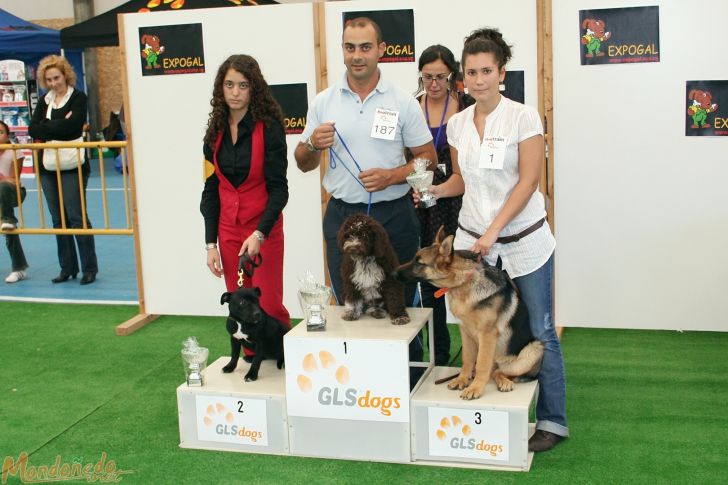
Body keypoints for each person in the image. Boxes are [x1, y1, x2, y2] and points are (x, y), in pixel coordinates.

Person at [422, 28, 569, 452]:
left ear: (502, 72)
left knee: (541, 327)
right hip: (475, 244)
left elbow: (528, 182)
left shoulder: (523, 117)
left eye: (487, 70)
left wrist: (493, 231)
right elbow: (461, 181)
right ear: (461, 77)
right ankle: (472, 377)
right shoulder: (456, 124)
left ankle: (553, 421)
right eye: (471, 72)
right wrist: (432, 190)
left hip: (523, 242)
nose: (479, 79)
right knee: (473, 322)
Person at [294, 17, 438, 382]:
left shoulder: (403, 101)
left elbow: (428, 159)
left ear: (381, 51)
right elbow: (302, 163)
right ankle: (359, 384)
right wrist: (312, 144)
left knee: (401, 302)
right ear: (342, 50)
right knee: (351, 302)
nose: (357, 56)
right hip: (342, 217)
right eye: (349, 47)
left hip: (394, 217)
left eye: (365, 47)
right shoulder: (323, 101)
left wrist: (392, 176)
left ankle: (409, 380)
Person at [200, 54, 291, 353]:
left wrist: (260, 233)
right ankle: (253, 365)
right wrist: (210, 244)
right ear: (220, 89)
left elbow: (280, 190)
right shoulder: (214, 133)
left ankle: (281, 359)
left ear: (254, 89)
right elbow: (211, 190)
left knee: (267, 304)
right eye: (229, 84)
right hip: (227, 232)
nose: (235, 92)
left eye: (242, 85)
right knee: (239, 305)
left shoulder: (271, 128)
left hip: (263, 230)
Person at [410, 44, 473, 366]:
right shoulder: (410, 108)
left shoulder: (467, 109)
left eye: (440, 77)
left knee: (462, 279)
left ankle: (474, 353)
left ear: (452, 77)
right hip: (418, 207)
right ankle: (436, 354)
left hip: (457, 206)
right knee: (426, 280)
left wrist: (436, 192)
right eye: (427, 77)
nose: (433, 84)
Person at [29, 55, 98, 285]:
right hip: (49, 166)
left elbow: (74, 125)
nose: (53, 83)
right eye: (48, 79)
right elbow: (32, 129)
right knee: (58, 219)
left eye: (56, 78)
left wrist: (47, 128)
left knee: (77, 217)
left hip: (73, 165)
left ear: (65, 75)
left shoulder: (78, 97)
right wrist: (55, 127)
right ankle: (67, 268)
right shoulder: (45, 100)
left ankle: (89, 268)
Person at [0, 120, 29, 283]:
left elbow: (13, 180)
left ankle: (19, 269)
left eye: (1, 132)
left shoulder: (14, 151)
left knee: (7, 223)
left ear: (7, 134)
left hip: (13, 192)